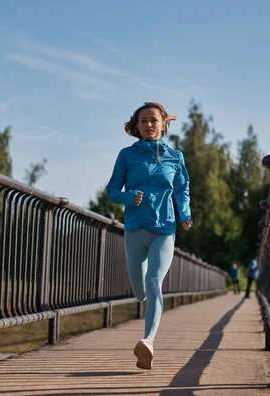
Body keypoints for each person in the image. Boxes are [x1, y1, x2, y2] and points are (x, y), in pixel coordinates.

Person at [106, 102, 193, 370]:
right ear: (137, 125)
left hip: (164, 228)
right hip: (134, 228)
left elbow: (182, 189)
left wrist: (185, 213)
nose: (148, 125)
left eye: (153, 120)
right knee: (140, 290)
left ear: (163, 124)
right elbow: (111, 191)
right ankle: (143, 307)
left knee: (154, 281)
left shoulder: (175, 157)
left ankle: (148, 341)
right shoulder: (126, 156)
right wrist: (129, 197)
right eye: (143, 121)